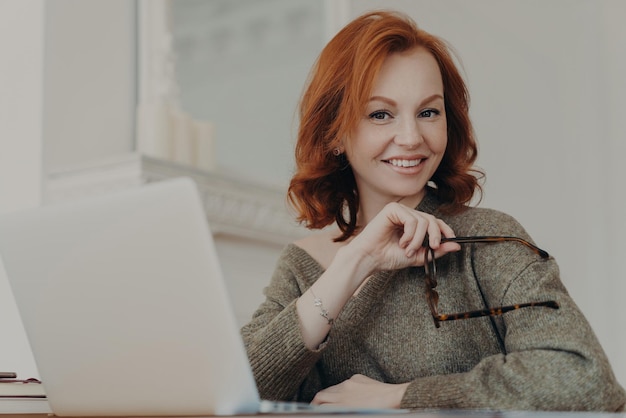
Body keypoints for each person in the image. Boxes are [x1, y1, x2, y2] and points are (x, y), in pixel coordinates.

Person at [240, 10, 626, 412]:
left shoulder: (488, 239)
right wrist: (354, 262)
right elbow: (236, 392)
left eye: (428, 112)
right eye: (380, 114)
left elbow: (585, 378)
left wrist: (401, 396)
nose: (411, 138)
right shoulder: (303, 268)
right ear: (335, 133)